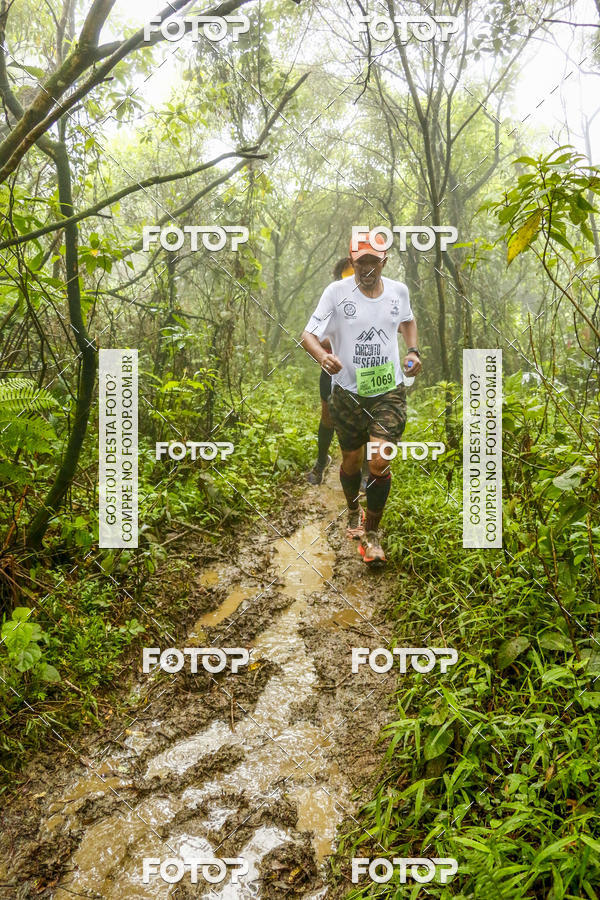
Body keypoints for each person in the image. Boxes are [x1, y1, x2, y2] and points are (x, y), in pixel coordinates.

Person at [301, 230, 422, 565]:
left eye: (374, 262)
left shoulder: (398, 292)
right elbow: (307, 335)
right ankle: (353, 509)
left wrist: (412, 351)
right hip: (348, 394)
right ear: (351, 261)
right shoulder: (336, 293)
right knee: (352, 463)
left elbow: (408, 321)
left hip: (389, 391)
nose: (368, 268)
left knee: (379, 461)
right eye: (361, 262)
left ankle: (371, 536)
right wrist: (323, 357)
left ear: (385, 261)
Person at [306, 257, 354, 486]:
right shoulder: (331, 303)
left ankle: (364, 469)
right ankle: (321, 462)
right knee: (328, 417)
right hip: (333, 371)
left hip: (364, 373)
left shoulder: (373, 299)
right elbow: (312, 336)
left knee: (363, 419)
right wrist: (330, 345)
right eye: (345, 276)